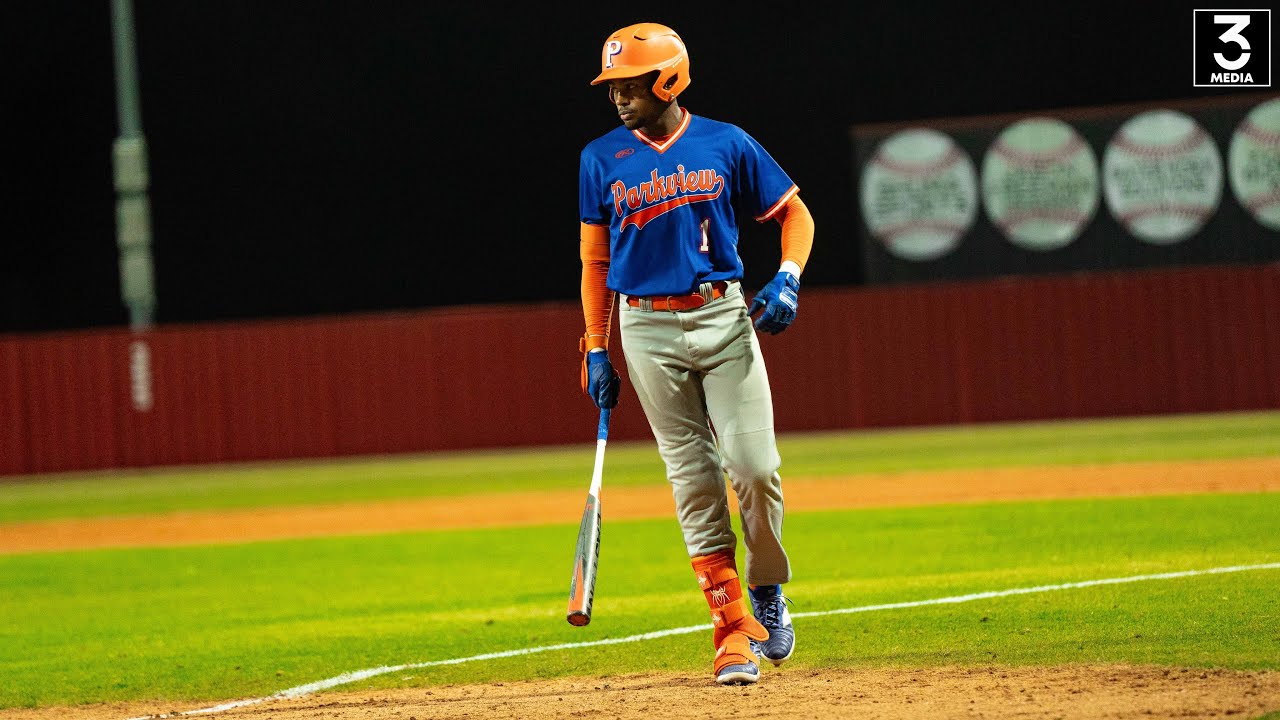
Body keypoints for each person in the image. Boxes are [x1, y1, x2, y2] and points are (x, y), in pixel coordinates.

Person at [576, 22, 815, 686]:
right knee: (695, 483)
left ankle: (766, 587)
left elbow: (796, 215)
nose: (620, 97)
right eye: (613, 86)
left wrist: (789, 275)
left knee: (754, 467)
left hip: (723, 317)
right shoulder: (600, 158)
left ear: (669, 79)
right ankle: (734, 630)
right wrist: (597, 347)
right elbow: (595, 260)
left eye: (631, 84)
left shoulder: (725, 142)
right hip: (644, 328)